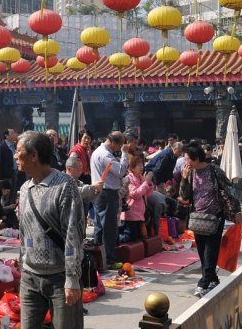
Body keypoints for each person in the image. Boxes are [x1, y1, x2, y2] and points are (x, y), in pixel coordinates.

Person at [16, 131, 85, 329]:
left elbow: (73, 234)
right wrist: (22, 267)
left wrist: (72, 279)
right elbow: (24, 232)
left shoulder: (65, 186)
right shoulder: (25, 188)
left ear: (34, 155)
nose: (15, 155)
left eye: (19, 151)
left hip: (60, 278)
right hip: (30, 277)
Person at [179, 142, 242, 298]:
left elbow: (229, 190)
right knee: (202, 252)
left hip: (215, 217)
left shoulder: (214, 170)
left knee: (210, 251)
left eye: (187, 158)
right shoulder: (190, 173)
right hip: (197, 218)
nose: (185, 161)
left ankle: (203, 283)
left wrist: (236, 211)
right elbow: (184, 196)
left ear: (196, 158)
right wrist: (184, 178)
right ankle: (213, 279)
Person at [91, 132, 130, 269]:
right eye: (120, 145)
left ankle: (100, 259)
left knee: (100, 226)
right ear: (114, 143)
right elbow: (121, 171)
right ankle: (109, 260)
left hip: (102, 192)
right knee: (109, 228)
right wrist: (125, 154)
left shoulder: (100, 151)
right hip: (106, 193)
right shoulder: (105, 154)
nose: (120, 148)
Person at [119, 153, 153, 243]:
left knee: (135, 237)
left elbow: (147, 193)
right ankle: (113, 240)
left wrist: (149, 184)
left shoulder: (141, 178)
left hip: (139, 213)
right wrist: (146, 183)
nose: (142, 167)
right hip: (131, 213)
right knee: (129, 237)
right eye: (139, 165)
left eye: (142, 165)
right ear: (132, 168)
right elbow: (135, 194)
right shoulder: (129, 178)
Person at [0, 129, 18, 195]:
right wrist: (1, 178)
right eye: (12, 133)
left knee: (13, 193)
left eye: (14, 133)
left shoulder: (14, 145)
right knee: (6, 195)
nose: (15, 134)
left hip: (14, 172)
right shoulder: (2, 147)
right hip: (6, 176)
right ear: (6, 136)